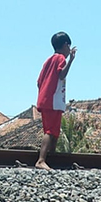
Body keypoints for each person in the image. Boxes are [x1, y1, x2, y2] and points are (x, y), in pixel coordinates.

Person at [35, 32, 76, 171]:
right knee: (50, 131)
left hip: (46, 99)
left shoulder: (48, 60)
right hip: (53, 100)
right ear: (65, 45)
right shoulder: (60, 59)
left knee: (54, 131)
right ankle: (41, 160)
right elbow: (62, 74)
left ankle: (50, 159)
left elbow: (38, 81)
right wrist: (71, 60)